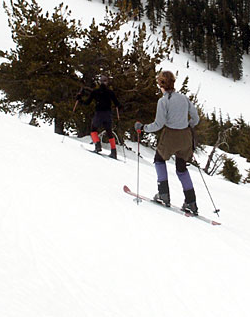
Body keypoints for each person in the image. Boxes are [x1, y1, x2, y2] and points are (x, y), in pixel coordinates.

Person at [134, 70, 200, 215]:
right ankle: (191, 202)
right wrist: (188, 124)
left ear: (161, 84)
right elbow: (195, 118)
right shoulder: (184, 98)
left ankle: (163, 194)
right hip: (185, 136)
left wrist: (144, 128)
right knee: (181, 168)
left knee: (159, 159)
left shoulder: (163, 101)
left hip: (171, 135)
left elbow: (159, 124)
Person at [78, 75, 122, 159]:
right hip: (108, 114)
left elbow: (87, 103)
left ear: (100, 82)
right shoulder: (110, 92)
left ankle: (97, 145)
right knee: (109, 131)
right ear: (107, 82)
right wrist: (118, 108)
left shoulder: (95, 92)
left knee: (93, 129)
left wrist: (79, 99)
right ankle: (113, 151)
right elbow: (117, 104)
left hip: (99, 113)